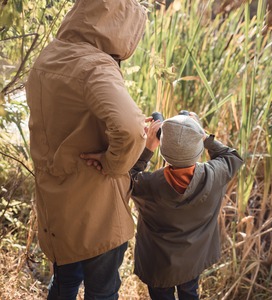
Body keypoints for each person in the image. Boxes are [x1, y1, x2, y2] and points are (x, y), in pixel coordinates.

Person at [25, 0, 147, 299]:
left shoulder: (49, 56)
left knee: (65, 281)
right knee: (102, 291)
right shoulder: (94, 66)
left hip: (57, 202)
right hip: (96, 207)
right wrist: (114, 164)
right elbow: (131, 128)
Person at [129, 113, 244, 300]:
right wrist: (201, 136)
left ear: (162, 150)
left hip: (159, 263)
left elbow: (128, 177)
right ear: (198, 148)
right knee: (189, 293)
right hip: (193, 258)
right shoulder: (214, 174)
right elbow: (231, 156)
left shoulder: (147, 185)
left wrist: (149, 147)